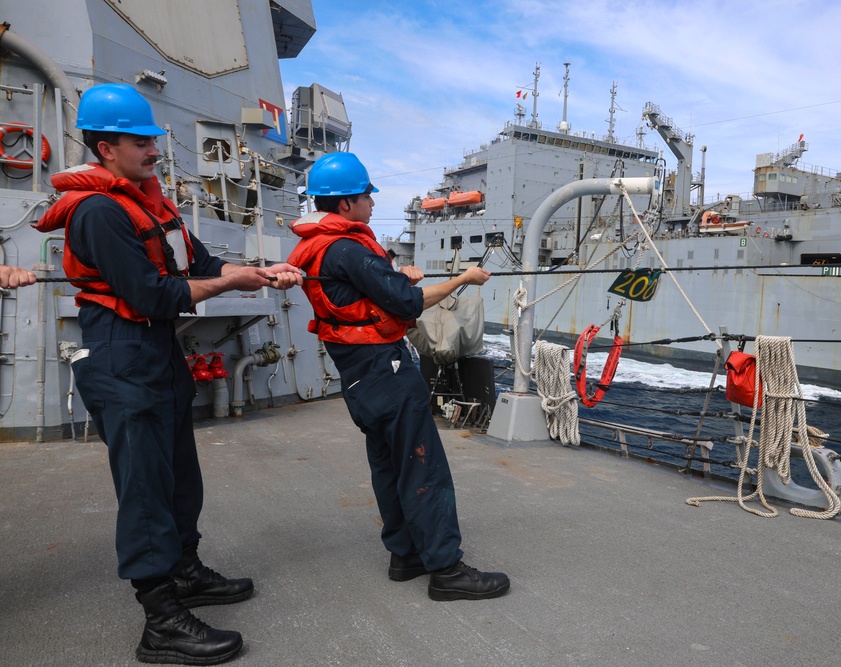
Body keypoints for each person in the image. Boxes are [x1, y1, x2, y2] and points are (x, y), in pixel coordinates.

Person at [34, 83, 302, 665]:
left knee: (180, 475)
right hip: (122, 353)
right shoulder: (100, 211)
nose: (155, 149)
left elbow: (200, 264)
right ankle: (160, 620)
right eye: (141, 141)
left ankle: (184, 572)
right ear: (106, 149)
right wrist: (232, 283)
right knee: (146, 489)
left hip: (156, 355)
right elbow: (152, 295)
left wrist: (259, 270)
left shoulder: (149, 202)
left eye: (153, 139)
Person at [286, 152, 509, 602]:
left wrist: (396, 277)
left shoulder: (326, 248)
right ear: (346, 203)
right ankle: (446, 569)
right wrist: (464, 278)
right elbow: (407, 306)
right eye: (367, 195)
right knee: (423, 465)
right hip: (384, 370)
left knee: (388, 465)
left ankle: (405, 555)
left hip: (355, 375)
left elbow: (365, 290)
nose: (371, 202)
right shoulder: (348, 248)